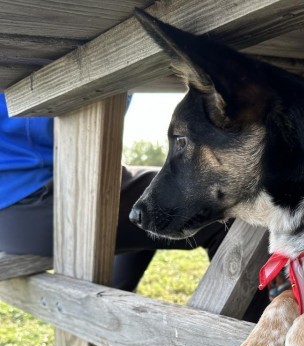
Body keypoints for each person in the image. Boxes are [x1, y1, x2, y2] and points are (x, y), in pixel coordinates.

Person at [0, 93, 228, 292]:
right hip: (41, 202)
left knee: (151, 200)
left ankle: (113, 301)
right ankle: (243, 332)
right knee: (222, 211)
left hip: (13, 208)